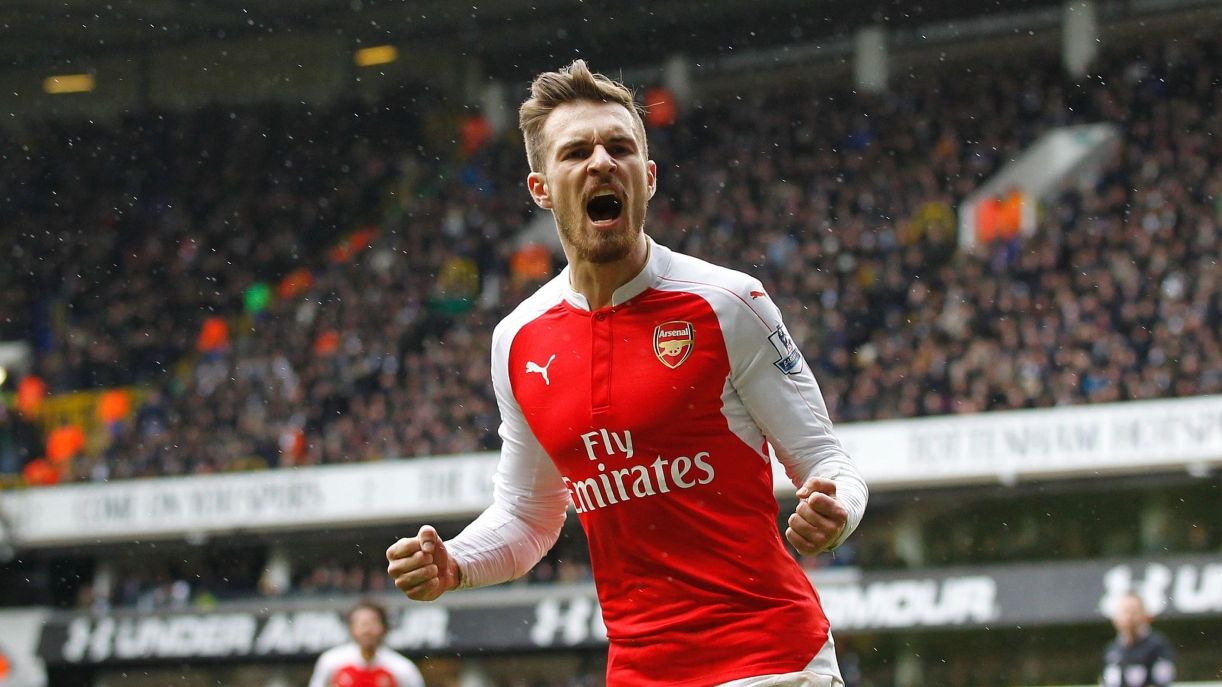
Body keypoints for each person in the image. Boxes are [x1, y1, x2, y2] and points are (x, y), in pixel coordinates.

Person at [387, 60, 868, 687]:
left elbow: (827, 462)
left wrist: (837, 511)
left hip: (769, 658)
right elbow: (529, 517)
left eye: (619, 147)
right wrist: (454, 562)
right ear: (540, 188)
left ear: (649, 176)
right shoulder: (517, 340)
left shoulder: (729, 303)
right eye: (576, 152)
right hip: (638, 670)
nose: (601, 163)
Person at [308, 600, 425, 687]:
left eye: (372, 622)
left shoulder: (402, 668)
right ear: (351, 628)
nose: (367, 630)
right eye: (361, 623)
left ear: (383, 627)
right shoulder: (331, 662)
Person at [1102, 592, 1175, 687]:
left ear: (1145, 615)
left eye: (1134, 611)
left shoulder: (1157, 645)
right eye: (1125, 611)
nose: (1129, 617)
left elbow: (1161, 682)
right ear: (1115, 618)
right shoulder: (1112, 649)